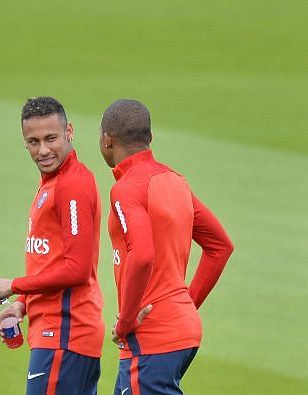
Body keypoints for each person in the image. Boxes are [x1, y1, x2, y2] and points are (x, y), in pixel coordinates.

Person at [98, 99, 234, 395]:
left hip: (151, 336)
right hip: (180, 330)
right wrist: (186, 304)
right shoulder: (175, 181)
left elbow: (142, 255)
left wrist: (125, 320)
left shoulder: (126, 189)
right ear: (150, 139)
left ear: (107, 140)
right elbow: (220, 247)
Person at [0, 96, 105, 395]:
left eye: (50, 138)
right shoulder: (53, 181)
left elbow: (77, 269)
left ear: (69, 131)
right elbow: (52, 258)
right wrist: (22, 304)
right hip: (58, 335)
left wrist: (14, 285)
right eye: (33, 141)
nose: (42, 150)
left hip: (65, 334)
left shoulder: (72, 185)